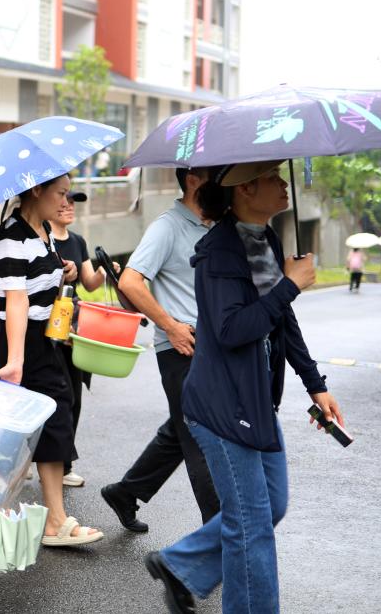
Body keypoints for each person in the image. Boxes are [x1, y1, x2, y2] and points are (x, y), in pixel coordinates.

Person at [144, 160, 346, 614]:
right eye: (272, 178)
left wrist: (315, 384)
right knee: (250, 524)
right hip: (222, 403)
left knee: (270, 505)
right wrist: (289, 285)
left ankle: (180, 565)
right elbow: (232, 329)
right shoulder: (219, 251)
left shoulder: (265, 238)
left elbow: (280, 319)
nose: (282, 183)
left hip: (254, 400)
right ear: (245, 190)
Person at [0, 174, 103, 547]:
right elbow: (16, 301)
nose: (65, 202)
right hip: (1, 339)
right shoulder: (9, 236)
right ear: (37, 190)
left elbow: (37, 282)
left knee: (57, 413)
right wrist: (16, 361)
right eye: (60, 193)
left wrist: (65, 271)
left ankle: (55, 522)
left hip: (38, 335)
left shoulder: (44, 231)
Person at [100, 168, 220, 534]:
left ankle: (126, 492)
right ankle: (217, 537)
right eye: (216, 173)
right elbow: (130, 282)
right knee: (201, 438)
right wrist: (170, 325)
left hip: (211, 347)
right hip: (181, 347)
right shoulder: (167, 227)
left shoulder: (215, 225)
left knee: (181, 429)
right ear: (194, 179)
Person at [48, 189, 116, 488]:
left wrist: (104, 271)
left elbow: (88, 284)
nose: (68, 206)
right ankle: (42, 459)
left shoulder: (77, 241)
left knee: (73, 395)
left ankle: (63, 464)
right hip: (47, 326)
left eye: (73, 202)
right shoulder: (42, 240)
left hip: (74, 327)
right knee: (54, 395)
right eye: (63, 200)